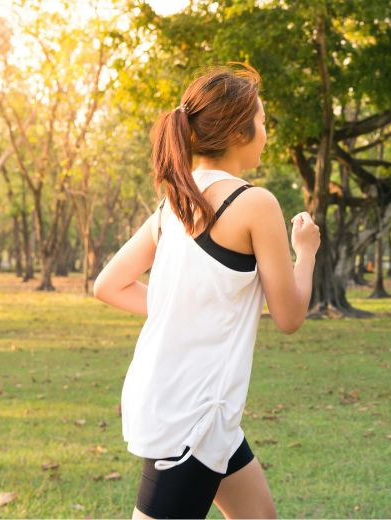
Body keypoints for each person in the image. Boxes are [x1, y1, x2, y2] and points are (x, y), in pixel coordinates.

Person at [93, 62, 320, 519]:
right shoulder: (255, 203)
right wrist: (307, 251)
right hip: (191, 416)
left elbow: (109, 285)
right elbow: (290, 316)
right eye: (261, 122)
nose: (266, 133)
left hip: (200, 409)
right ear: (238, 132)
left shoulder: (173, 204)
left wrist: (183, 309)